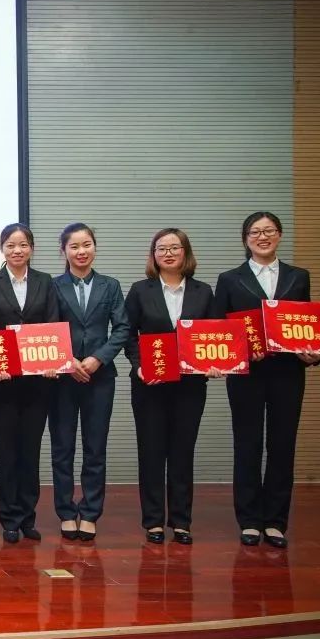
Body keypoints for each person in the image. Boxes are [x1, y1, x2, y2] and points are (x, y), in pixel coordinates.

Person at [214, 212, 320, 548]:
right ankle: (248, 520)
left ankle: (275, 521)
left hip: (288, 373)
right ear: (245, 239)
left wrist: (314, 354)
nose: (263, 237)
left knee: (282, 444)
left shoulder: (298, 276)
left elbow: (306, 325)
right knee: (247, 444)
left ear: (279, 235)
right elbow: (219, 329)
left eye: (269, 230)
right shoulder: (230, 279)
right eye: (255, 232)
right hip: (246, 375)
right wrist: (233, 355)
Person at [124, 228, 217, 545]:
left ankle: (181, 521)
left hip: (190, 385)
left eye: (174, 248)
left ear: (185, 252)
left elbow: (214, 334)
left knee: (182, 451)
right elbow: (128, 333)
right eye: (161, 248)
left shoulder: (203, 292)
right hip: (150, 384)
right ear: (153, 255)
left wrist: (215, 362)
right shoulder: (140, 290)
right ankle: (152, 521)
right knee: (151, 452)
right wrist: (138, 365)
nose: (168, 253)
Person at [0, 223, 59, 543]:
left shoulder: (45, 281)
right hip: (4, 380)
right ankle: (9, 517)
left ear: (32, 249)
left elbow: (52, 323)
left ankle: (28, 516)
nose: (17, 250)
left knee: (30, 450)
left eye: (23, 244)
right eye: (10, 245)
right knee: (7, 451)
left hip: (39, 381)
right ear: (1, 249)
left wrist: (52, 361)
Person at [49, 223, 129, 542]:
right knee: (62, 447)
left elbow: (122, 328)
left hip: (100, 377)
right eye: (74, 246)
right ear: (64, 251)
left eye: (87, 245)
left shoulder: (110, 286)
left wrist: (98, 358)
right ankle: (66, 512)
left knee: (95, 447)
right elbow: (46, 327)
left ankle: (91, 511)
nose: (81, 251)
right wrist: (67, 360)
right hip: (62, 378)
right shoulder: (52, 286)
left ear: (95, 247)